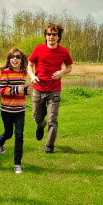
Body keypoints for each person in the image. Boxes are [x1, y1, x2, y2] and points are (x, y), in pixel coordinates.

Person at [28, 23, 74, 154]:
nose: (51, 37)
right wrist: (32, 76)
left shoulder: (63, 51)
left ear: (58, 37)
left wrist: (61, 72)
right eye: (49, 34)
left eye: (54, 34)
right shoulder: (38, 49)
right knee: (36, 116)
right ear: (45, 36)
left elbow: (69, 67)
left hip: (54, 90)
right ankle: (40, 125)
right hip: (38, 89)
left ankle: (49, 146)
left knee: (52, 120)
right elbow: (30, 65)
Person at [0, 48, 31, 174]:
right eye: (12, 57)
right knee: (9, 133)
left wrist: (26, 91)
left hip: (20, 110)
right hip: (6, 110)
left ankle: (17, 164)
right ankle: (0, 141)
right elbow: (1, 90)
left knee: (19, 135)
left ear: (22, 60)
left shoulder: (24, 73)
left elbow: (21, 90)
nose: (15, 59)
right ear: (9, 59)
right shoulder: (5, 72)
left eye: (18, 57)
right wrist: (18, 90)